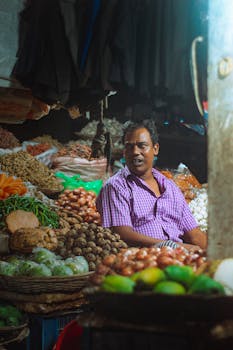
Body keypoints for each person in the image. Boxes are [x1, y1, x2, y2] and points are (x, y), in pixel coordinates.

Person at [96, 119, 207, 252]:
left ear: (155, 149)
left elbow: (194, 235)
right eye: (129, 147)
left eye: (142, 145)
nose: (135, 152)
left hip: (179, 258)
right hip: (142, 260)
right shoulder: (116, 186)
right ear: (124, 152)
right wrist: (174, 247)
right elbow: (122, 234)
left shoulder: (169, 186)